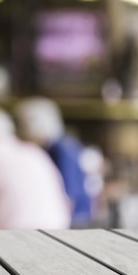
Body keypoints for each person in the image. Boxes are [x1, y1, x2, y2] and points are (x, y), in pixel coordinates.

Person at [14, 97, 93, 226]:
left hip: (75, 220)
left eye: (22, 127)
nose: (21, 136)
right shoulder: (58, 146)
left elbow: (67, 193)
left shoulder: (61, 149)